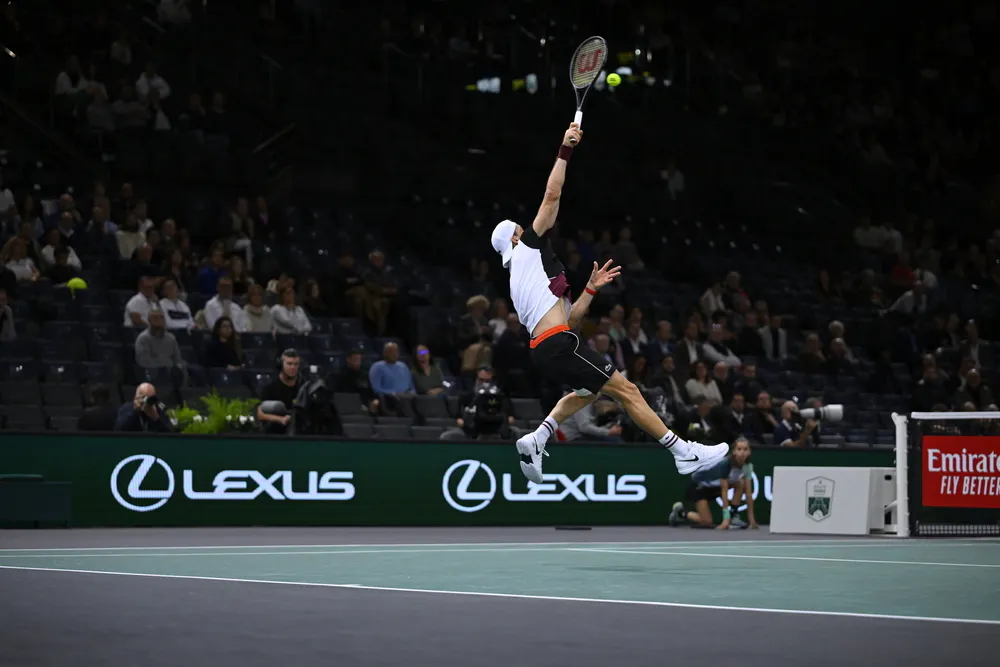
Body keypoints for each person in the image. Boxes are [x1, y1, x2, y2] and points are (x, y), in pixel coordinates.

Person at [489, 122, 729, 483]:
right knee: (627, 390)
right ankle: (683, 452)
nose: (526, 229)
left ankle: (538, 437)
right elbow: (552, 196)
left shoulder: (520, 278)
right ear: (514, 239)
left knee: (587, 391)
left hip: (546, 347)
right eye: (520, 229)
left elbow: (569, 321)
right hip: (557, 344)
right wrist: (566, 149)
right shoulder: (528, 249)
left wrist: (589, 289)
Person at [669, 436, 758, 529]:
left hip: (715, 487)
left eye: (745, 449)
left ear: (749, 452)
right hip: (699, 487)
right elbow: (724, 491)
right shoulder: (725, 465)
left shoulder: (748, 466)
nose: (742, 452)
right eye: (739, 449)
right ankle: (680, 513)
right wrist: (725, 519)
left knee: (740, 483)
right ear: (734, 452)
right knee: (707, 522)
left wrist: (752, 520)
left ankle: (734, 516)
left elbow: (748, 494)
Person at [257, 348, 303, 432]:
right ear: (281, 365)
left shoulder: (303, 387)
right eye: (289, 364)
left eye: (296, 364)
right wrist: (281, 419)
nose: (293, 367)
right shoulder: (271, 388)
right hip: (276, 433)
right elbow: (260, 414)